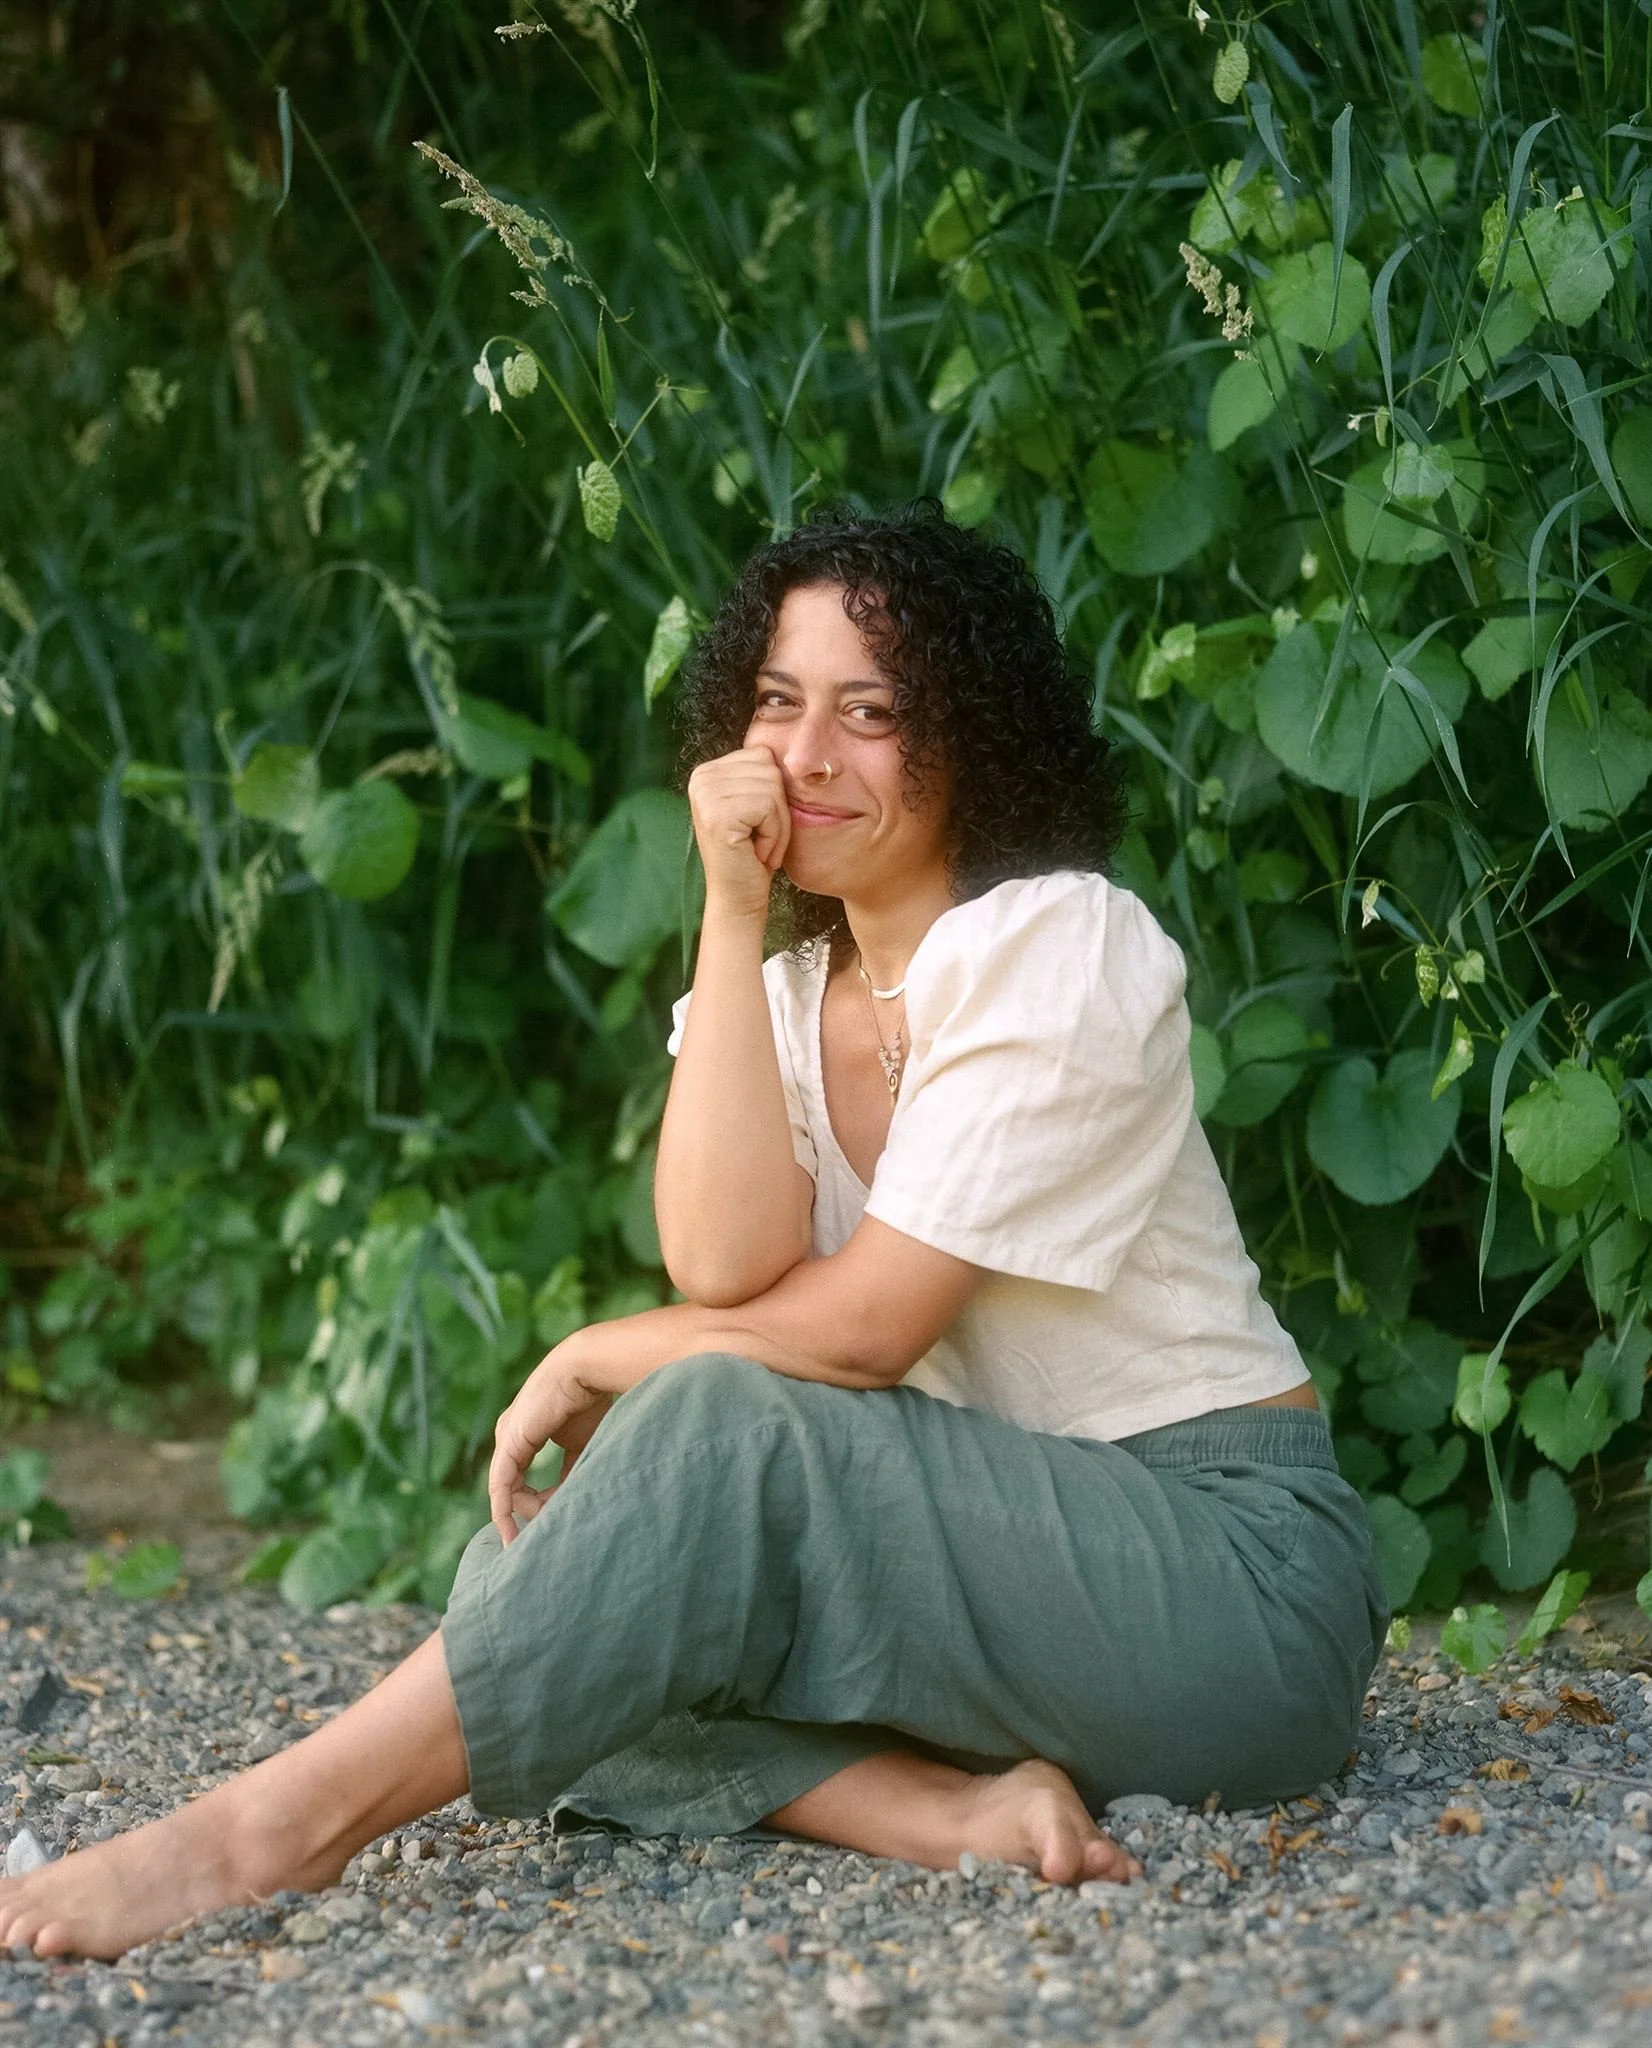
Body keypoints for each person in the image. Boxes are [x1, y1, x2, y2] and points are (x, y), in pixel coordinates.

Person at [0, 502, 1384, 1962]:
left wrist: (607, 1350)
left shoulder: (1059, 945)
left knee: (677, 1474)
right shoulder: (784, 999)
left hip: (1228, 1584)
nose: (808, 755)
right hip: (978, 1568)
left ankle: (265, 1833)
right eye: (779, 705)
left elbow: (861, 1331)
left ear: (973, 734)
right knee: (541, 1599)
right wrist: (734, 912)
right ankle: (935, 1812)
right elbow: (722, 1270)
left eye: (873, 711)